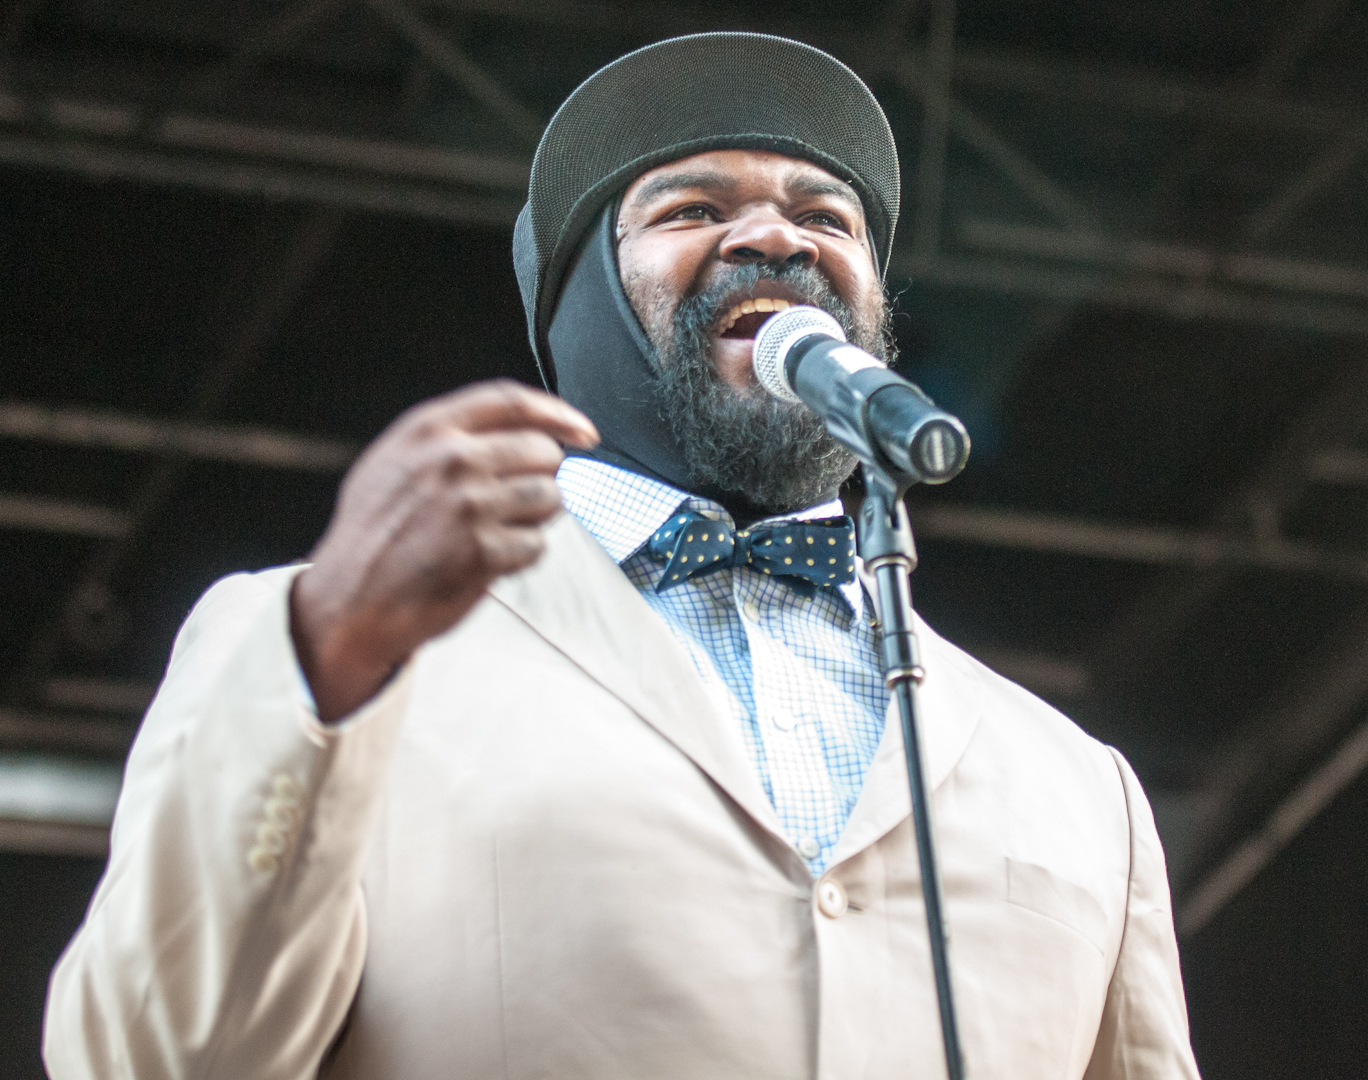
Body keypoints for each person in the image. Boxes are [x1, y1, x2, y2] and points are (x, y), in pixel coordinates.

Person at [43, 33, 1201, 1080]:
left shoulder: (1075, 780)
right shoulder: (327, 645)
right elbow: (149, 1059)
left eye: (827, 217)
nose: (773, 236)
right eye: (692, 208)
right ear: (581, 304)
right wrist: (334, 652)